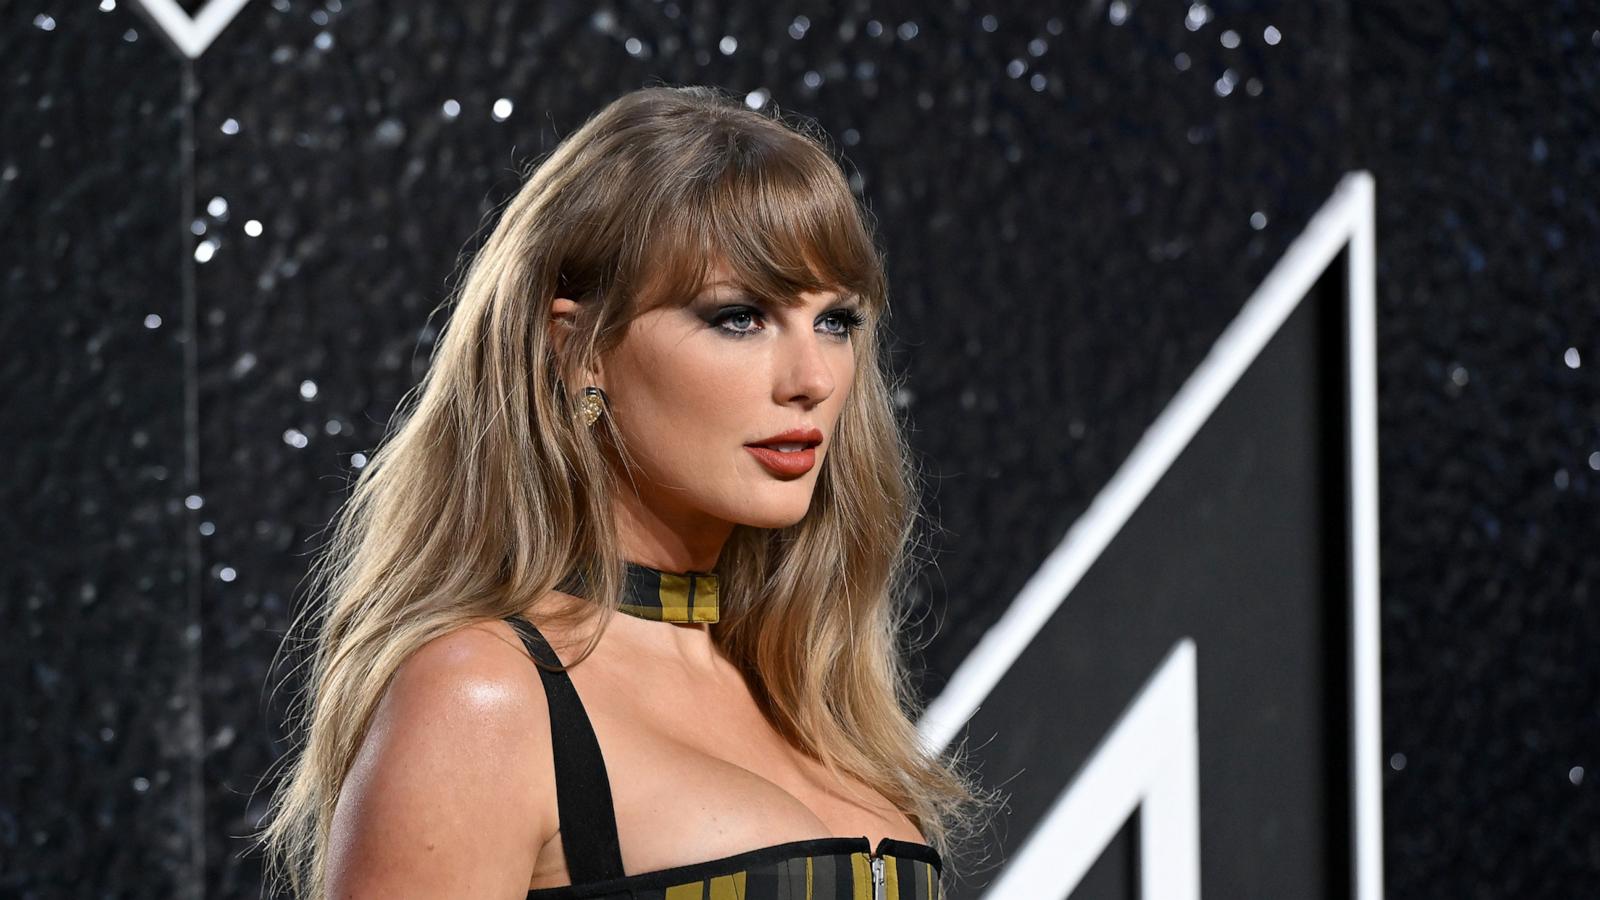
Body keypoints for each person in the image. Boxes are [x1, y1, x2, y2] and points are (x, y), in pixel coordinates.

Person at [252, 84, 984, 899]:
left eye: (836, 322)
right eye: (739, 317)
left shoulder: (807, 694)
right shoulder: (484, 697)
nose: (813, 379)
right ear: (578, 350)